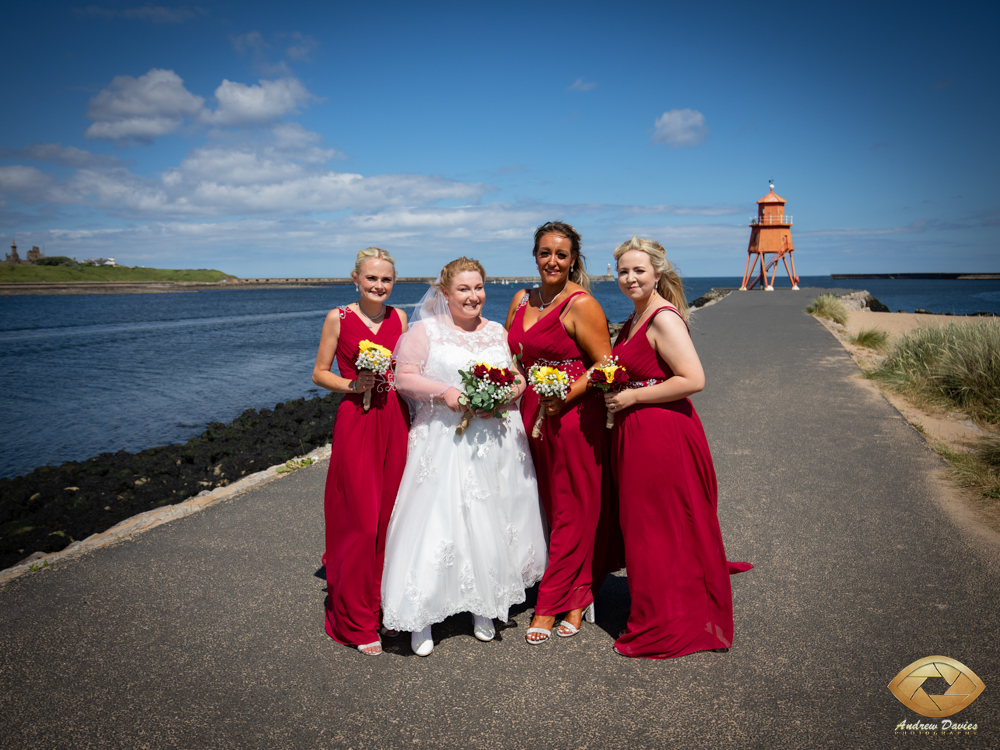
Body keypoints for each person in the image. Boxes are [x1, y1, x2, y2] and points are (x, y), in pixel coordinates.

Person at [381, 257, 547, 656]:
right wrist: (446, 392)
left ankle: (483, 604)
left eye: (479, 288)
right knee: (439, 519)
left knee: (490, 517)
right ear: (445, 293)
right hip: (443, 438)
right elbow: (404, 376)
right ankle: (420, 615)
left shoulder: (496, 331)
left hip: (494, 438)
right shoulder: (425, 331)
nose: (474, 297)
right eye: (464, 289)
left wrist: (505, 394)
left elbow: (517, 376)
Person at [603, 236, 752, 659]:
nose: (630, 278)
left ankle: (663, 622)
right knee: (649, 527)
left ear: (658, 273)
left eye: (638, 271)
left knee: (658, 526)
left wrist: (630, 397)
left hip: (662, 434)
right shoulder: (636, 315)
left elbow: (693, 379)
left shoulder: (663, 318)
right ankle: (661, 604)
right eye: (623, 271)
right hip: (640, 433)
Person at [505, 222, 617, 645]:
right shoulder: (521, 299)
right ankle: (578, 591)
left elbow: (606, 364)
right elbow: (513, 356)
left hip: (572, 416)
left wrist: (564, 395)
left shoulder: (582, 304)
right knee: (548, 506)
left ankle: (551, 603)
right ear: (534, 256)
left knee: (574, 506)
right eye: (545, 252)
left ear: (574, 260)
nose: (553, 261)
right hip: (529, 413)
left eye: (562, 254)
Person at [313, 247, 410, 656]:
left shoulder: (400, 318)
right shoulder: (339, 317)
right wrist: (353, 385)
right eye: (371, 279)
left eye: (385, 279)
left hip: (395, 421)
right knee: (360, 519)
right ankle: (355, 618)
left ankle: (382, 607)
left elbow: (408, 370)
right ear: (355, 279)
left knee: (391, 519)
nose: (378, 286)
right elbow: (319, 373)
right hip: (357, 421)